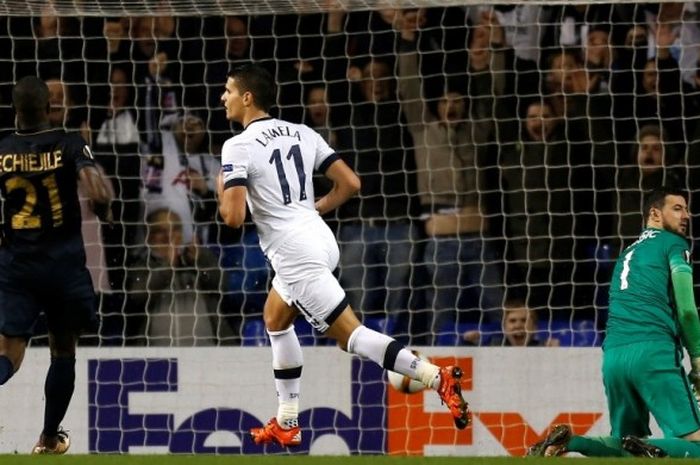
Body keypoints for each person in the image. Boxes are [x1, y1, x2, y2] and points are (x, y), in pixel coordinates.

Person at [216, 64, 470, 446]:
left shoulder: (237, 145)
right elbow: (351, 183)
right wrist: (314, 209)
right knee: (274, 318)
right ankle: (287, 421)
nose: (224, 97)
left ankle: (436, 376)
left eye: (228, 90)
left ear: (247, 97)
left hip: (294, 252)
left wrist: (222, 187)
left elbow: (233, 218)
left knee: (349, 336)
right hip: (320, 237)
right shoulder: (303, 132)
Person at [529, 187, 700, 458]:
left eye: (687, 209)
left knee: (624, 444)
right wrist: (697, 357)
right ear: (655, 213)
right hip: (653, 352)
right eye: (678, 208)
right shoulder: (674, 245)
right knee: (696, 446)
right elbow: (687, 311)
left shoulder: (626, 255)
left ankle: (570, 443)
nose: (687, 215)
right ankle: (651, 451)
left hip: (614, 358)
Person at [0, 76, 113, 454]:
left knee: (9, 352)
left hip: (19, 266)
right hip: (63, 268)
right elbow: (94, 186)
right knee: (63, 349)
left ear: (16, 111)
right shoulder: (68, 142)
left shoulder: (2, 148)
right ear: (49, 108)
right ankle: (49, 436)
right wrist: (104, 207)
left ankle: (48, 435)